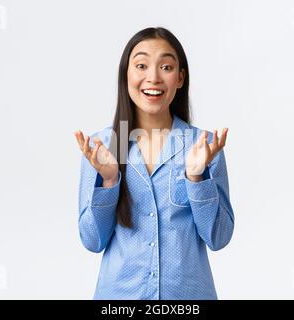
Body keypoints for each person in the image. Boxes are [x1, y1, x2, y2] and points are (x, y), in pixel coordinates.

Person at [74, 27, 234, 300]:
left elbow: (218, 237)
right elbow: (92, 240)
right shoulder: (102, 148)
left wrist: (197, 179)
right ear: (126, 75)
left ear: (180, 78)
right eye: (141, 65)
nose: (153, 77)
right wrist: (109, 182)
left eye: (166, 66)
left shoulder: (204, 146)